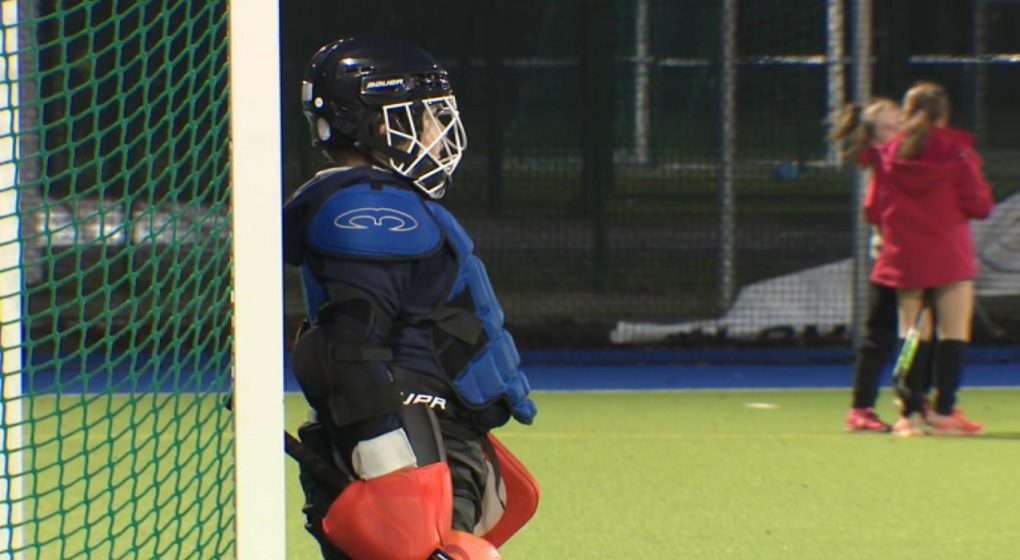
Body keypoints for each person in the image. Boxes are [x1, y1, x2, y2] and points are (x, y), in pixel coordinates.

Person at [282, 36, 540, 559]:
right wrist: (386, 459)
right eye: (423, 115)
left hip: (417, 428)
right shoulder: (371, 209)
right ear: (378, 122)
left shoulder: (372, 201)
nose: (436, 132)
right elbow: (348, 346)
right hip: (412, 434)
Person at [866, 81, 995, 437]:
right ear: (944, 114)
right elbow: (980, 206)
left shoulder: (889, 154)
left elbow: (872, 207)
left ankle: (910, 414)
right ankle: (943, 410)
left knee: (910, 333)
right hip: (948, 253)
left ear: (907, 113)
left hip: (905, 254)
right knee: (953, 332)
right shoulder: (957, 152)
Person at [831, 98, 906, 433]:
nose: (901, 130)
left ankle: (914, 402)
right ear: (876, 139)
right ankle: (863, 408)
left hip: (915, 258)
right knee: (881, 334)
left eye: (901, 122)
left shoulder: (903, 159)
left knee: (921, 334)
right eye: (892, 127)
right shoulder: (884, 163)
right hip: (894, 259)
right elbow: (873, 210)